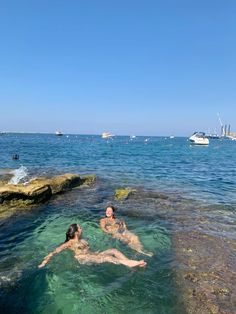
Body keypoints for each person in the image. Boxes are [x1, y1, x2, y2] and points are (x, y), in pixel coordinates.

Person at [38, 223, 146, 268]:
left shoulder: (83, 239)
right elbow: (55, 251)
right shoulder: (70, 243)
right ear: (76, 232)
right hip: (82, 258)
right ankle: (131, 264)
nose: (82, 229)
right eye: (80, 228)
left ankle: (127, 263)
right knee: (108, 257)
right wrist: (44, 262)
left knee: (113, 250)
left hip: (92, 254)